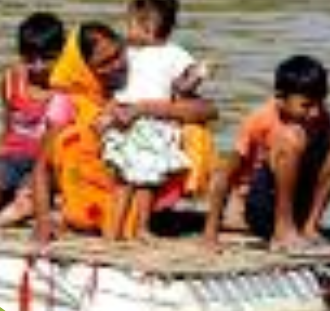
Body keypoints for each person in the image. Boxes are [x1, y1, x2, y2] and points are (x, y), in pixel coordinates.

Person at [33, 22, 217, 240]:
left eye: (119, 53)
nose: (118, 65)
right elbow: (42, 168)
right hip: (88, 204)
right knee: (76, 138)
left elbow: (207, 110)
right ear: (85, 68)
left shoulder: (140, 78)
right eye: (105, 63)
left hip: (145, 189)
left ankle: (144, 219)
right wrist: (43, 221)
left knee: (193, 131)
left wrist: (142, 109)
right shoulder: (68, 101)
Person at [202, 55, 330, 254]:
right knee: (292, 136)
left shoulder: (321, 116)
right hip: (262, 206)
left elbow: (328, 165)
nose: (315, 112)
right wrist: (210, 234)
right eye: (306, 106)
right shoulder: (260, 120)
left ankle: (310, 227)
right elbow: (224, 174)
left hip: (299, 202)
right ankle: (283, 233)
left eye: (319, 103)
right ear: (281, 99)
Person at [100, 0, 212, 240]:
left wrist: (198, 75)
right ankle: (114, 231)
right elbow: (113, 81)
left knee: (147, 181)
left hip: (153, 123)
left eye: (130, 24)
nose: (126, 30)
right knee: (124, 180)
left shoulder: (174, 53)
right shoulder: (128, 52)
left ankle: (141, 228)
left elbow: (183, 88)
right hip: (123, 118)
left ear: (148, 28)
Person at [0, 12, 75, 226]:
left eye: (47, 59)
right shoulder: (12, 80)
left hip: (47, 164)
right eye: (30, 60)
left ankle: (20, 204)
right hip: (12, 157)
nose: (38, 67)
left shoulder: (66, 89)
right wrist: (1, 158)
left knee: (27, 197)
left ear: (62, 54)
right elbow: (8, 125)